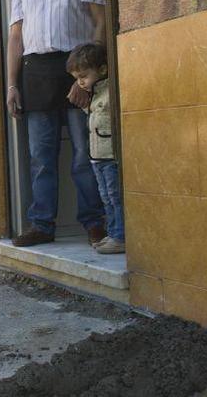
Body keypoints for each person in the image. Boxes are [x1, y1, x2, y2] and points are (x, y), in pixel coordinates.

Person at [5, 0, 107, 247]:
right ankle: (42, 224)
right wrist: (11, 85)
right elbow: (16, 38)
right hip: (35, 71)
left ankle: (95, 223)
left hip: (75, 66)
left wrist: (86, 77)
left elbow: (100, 22)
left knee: (84, 153)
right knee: (40, 156)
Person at [66, 43, 125, 254]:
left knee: (115, 196)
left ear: (102, 70)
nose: (80, 82)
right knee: (106, 197)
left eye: (83, 76)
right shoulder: (95, 95)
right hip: (97, 156)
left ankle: (120, 237)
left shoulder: (111, 92)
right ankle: (113, 233)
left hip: (110, 156)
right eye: (76, 78)